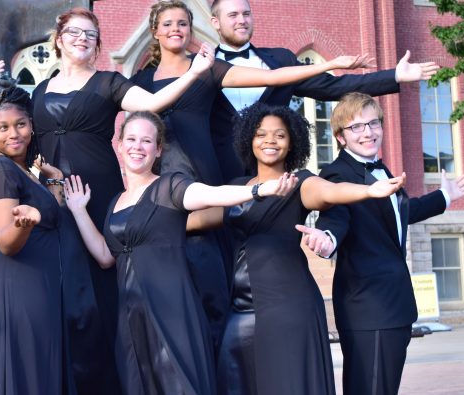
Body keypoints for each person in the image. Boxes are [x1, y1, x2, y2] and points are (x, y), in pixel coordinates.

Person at [131, 0, 374, 349]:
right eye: (168, 23)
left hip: (201, 175)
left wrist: (331, 64)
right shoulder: (138, 81)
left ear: (192, 29)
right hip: (159, 182)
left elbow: (272, 77)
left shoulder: (209, 68)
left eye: (183, 23)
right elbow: (126, 130)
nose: (175, 29)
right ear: (154, 30)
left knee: (209, 278)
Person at [32, 8, 218, 391]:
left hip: (97, 193)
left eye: (90, 34)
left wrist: (195, 73)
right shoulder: (39, 90)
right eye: (74, 32)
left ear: (98, 44)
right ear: (58, 38)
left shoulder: (108, 83)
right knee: (65, 293)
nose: (82, 38)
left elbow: (154, 102)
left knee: (103, 288)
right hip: (55, 199)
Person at [63, 111, 298, 394]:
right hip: (131, 317)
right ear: (120, 145)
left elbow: (211, 195)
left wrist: (258, 190)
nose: (138, 147)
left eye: (147, 141)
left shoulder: (169, 186)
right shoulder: (116, 202)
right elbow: (104, 255)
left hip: (172, 309)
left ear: (158, 149)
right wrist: (78, 210)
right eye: (132, 139)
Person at [214, 103, 409, 395]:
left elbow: (329, 192)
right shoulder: (236, 186)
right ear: (248, 140)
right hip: (239, 311)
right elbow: (196, 212)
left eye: (280, 135)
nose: (270, 140)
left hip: (288, 307)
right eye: (261, 134)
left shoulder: (300, 182)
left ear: (292, 141)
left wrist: (367, 191)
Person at [311, 92, 464, 395]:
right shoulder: (337, 173)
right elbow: (336, 216)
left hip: (393, 307)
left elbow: (398, 214)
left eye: (373, 123)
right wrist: (327, 239)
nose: (368, 132)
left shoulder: (379, 168)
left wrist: (445, 196)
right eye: (356, 127)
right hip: (368, 308)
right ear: (340, 137)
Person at [208, 0, 441, 184]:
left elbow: (333, 87)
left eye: (246, 14)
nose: (242, 20)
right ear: (215, 22)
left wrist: (395, 76)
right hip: (216, 176)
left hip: (275, 178)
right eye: (233, 15)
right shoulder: (199, 67)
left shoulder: (281, 60)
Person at [0, 84, 65, 395]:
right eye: (3, 127)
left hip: (34, 290)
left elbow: (54, 223)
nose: (14, 133)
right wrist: (24, 224)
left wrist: (53, 183)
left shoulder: (23, 171)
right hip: (13, 291)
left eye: (21, 124)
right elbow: (7, 242)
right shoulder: (0, 170)